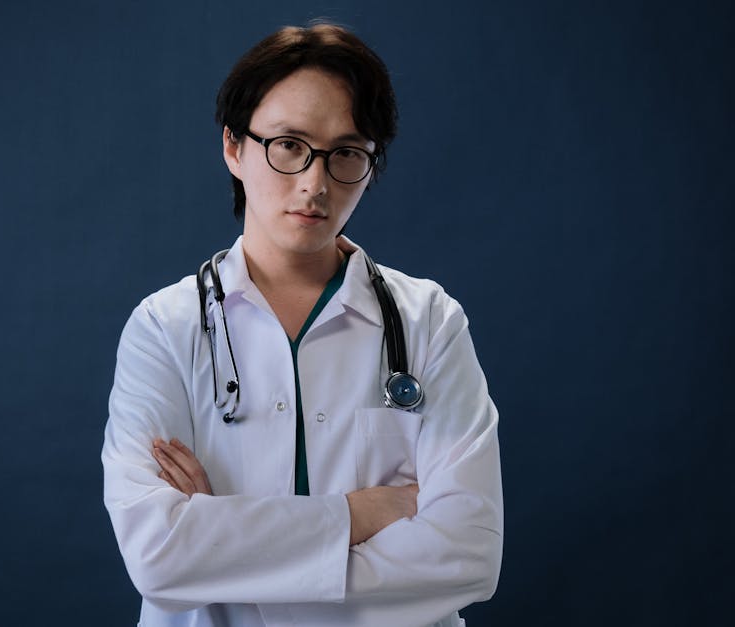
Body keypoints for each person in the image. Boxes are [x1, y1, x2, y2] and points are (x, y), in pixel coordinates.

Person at [102, 23, 503, 627]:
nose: (316, 184)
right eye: (289, 145)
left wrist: (226, 549)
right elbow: (158, 557)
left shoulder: (430, 323)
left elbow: (469, 554)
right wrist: (360, 514)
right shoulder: (164, 328)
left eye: (346, 153)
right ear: (234, 147)